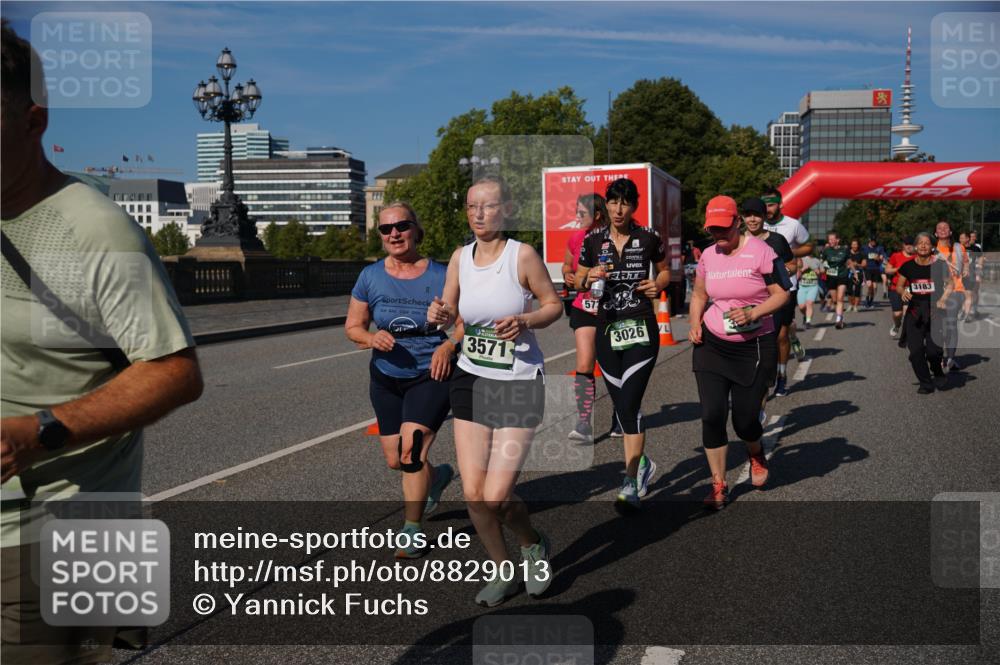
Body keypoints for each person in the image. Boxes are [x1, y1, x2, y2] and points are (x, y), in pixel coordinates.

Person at [1, 22, 204, 663]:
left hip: (58, 533)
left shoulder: (91, 231)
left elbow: (175, 370)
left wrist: (36, 432)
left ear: (34, 121)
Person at [427, 176, 562, 607]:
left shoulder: (521, 255)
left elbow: (553, 304)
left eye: (487, 206)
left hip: (518, 378)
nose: (478, 214)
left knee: (497, 494)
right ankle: (503, 571)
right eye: (471, 207)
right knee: (473, 493)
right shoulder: (459, 258)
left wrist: (524, 321)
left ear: (504, 210)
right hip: (471, 376)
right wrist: (439, 314)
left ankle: (532, 542)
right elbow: (450, 313)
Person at [346, 202, 456, 558]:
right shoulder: (370, 276)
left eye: (401, 226)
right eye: (385, 229)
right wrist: (369, 339)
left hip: (431, 373)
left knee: (410, 453)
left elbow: (468, 321)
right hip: (385, 375)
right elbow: (353, 326)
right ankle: (437, 477)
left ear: (416, 230)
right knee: (396, 460)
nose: (393, 233)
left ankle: (412, 529)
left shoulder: (442, 274)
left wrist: (449, 345)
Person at [688, 196, 789, 510]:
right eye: (712, 229)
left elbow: (782, 293)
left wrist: (756, 312)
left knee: (745, 420)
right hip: (713, 344)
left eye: (723, 228)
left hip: (754, 345)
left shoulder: (763, 253)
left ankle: (755, 451)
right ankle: (718, 484)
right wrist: (694, 324)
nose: (718, 235)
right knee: (712, 415)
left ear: (737, 222)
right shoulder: (708, 255)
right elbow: (700, 294)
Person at [575, 178, 670, 510]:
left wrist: (656, 285)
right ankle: (642, 464)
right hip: (606, 329)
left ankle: (630, 480)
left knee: (629, 404)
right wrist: (591, 277)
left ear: (634, 206)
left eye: (625, 203)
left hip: (641, 326)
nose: (618, 209)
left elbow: (665, 272)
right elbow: (577, 278)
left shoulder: (649, 238)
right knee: (621, 406)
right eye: (613, 202)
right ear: (606, 205)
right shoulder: (592, 240)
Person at [561, 193, 618, 443]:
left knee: (615, 367)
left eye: (581, 213)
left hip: (612, 309)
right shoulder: (575, 238)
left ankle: (622, 415)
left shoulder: (615, 236)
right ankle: (584, 422)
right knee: (584, 366)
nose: (577, 217)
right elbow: (566, 265)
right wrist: (568, 275)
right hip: (584, 308)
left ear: (596, 214)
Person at [741, 198, 794, 399]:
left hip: (774, 300)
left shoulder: (777, 241)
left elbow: (793, 265)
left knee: (776, 339)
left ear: (765, 217)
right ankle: (751, 387)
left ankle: (778, 377)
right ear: (742, 217)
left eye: (757, 215)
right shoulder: (736, 240)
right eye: (748, 215)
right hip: (747, 301)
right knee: (748, 345)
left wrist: (776, 274)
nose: (752, 219)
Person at [762, 187, 811, 379]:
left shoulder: (793, 225)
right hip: (761, 287)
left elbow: (809, 246)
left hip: (786, 285)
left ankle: (781, 375)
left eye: (772, 204)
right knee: (765, 336)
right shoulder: (755, 225)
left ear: (780, 204)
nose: (768, 208)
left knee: (780, 336)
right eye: (765, 204)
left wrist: (788, 253)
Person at [896, 232, 951, 394]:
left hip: (935, 312)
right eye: (920, 243)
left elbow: (950, 284)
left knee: (934, 352)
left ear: (932, 247)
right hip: (915, 313)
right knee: (916, 352)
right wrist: (902, 292)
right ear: (914, 247)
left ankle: (938, 371)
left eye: (927, 243)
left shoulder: (939, 266)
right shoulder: (908, 266)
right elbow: (899, 285)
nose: (923, 245)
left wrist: (944, 299)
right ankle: (926, 383)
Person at [933, 221, 968, 371]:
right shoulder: (931, 249)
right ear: (935, 233)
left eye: (946, 227)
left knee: (951, 326)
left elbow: (966, 262)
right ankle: (940, 357)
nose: (942, 229)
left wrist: (966, 269)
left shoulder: (959, 248)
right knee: (938, 327)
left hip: (956, 291)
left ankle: (951, 359)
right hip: (937, 292)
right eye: (939, 228)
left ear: (951, 231)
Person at [884, 236, 916, 338]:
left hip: (910, 288)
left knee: (907, 312)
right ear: (903, 245)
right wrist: (899, 269)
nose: (909, 246)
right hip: (896, 288)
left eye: (911, 244)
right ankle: (897, 325)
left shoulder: (917, 257)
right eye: (907, 244)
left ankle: (907, 333)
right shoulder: (895, 256)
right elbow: (887, 270)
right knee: (898, 314)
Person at [820, 232, 851, 329]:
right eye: (829, 240)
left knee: (840, 298)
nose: (831, 241)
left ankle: (838, 320)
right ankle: (840, 317)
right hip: (831, 277)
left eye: (832, 239)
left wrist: (854, 273)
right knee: (835, 300)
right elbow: (822, 261)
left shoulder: (845, 250)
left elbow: (849, 262)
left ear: (837, 240)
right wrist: (822, 268)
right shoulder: (826, 250)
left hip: (842, 275)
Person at [798, 251, 823, 329]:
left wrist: (818, 272)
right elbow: (796, 272)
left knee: (810, 303)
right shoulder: (801, 260)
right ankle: (805, 315)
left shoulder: (817, 261)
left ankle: (808, 321)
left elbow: (822, 271)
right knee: (801, 307)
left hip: (813, 286)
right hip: (802, 286)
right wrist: (803, 269)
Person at [862, 237, 887, 308]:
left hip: (876, 269)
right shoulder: (864, 248)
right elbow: (861, 256)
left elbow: (882, 258)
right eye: (872, 241)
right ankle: (867, 299)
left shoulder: (879, 248)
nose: (874, 242)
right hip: (868, 269)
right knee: (869, 285)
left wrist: (879, 258)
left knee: (875, 287)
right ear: (869, 241)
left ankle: (871, 301)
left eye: (875, 241)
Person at [968, 231, 984, 319]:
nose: (973, 238)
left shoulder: (977, 247)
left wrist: (979, 270)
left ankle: (974, 309)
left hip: (976, 271)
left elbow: (981, 258)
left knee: (975, 291)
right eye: (971, 236)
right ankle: (967, 309)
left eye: (974, 237)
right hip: (966, 272)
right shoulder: (963, 246)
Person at [847, 238, 866, 313]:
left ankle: (855, 306)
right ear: (851, 245)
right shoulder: (847, 253)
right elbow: (844, 262)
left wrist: (857, 264)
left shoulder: (861, 253)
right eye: (853, 244)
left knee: (857, 290)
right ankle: (850, 304)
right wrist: (848, 265)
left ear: (858, 245)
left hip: (858, 273)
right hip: (849, 273)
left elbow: (864, 264)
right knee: (849, 290)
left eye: (856, 244)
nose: (854, 246)